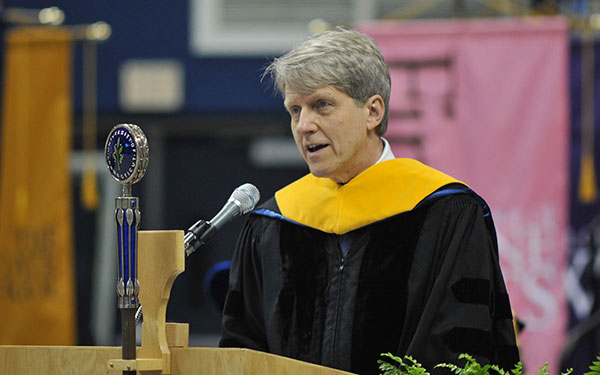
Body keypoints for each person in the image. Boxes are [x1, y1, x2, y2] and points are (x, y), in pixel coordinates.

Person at [219, 27, 519, 374]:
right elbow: (243, 351)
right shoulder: (273, 224)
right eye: (295, 110)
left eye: (322, 105)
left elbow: (461, 352)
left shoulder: (446, 213)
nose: (303, 125)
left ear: (373, 112)